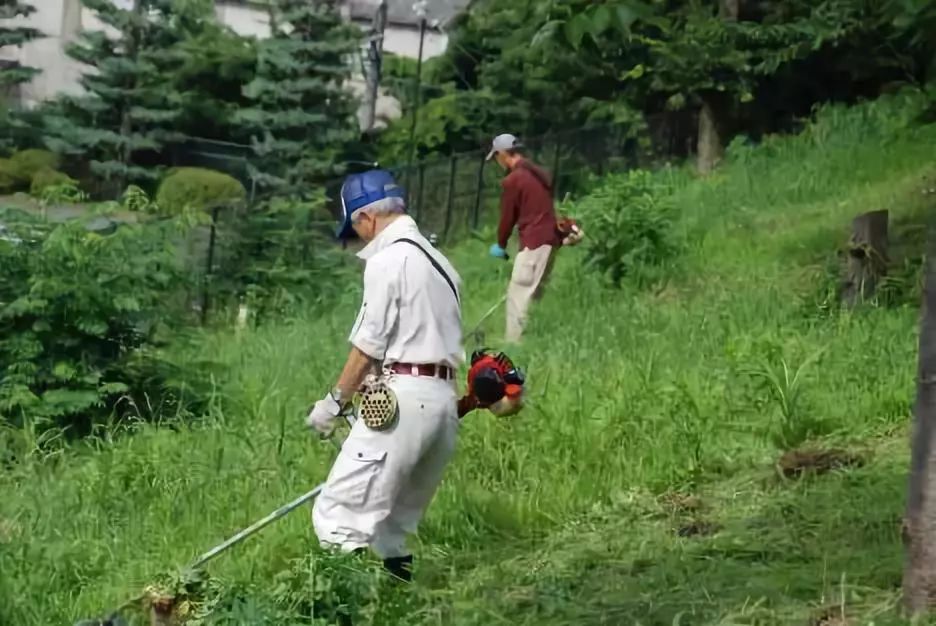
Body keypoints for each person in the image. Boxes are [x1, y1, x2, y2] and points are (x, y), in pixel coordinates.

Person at [305, 169, 464, 583]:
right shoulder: (442, 264)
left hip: (406, 402)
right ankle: (397, 607)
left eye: (355, 229)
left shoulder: (388, 260)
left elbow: (368, 345)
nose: (359, 238)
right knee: (391, 530)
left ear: (364, 218)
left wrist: (334, 403)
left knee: (338, 518)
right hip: (443, 405)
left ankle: (341, 612)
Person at [486, 133, 561, 343]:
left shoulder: (514, 180)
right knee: (533, 296)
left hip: (534, 243)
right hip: (550, 240)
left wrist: (501, 244)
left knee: (518, 296)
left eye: (496, 158)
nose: (497, 162)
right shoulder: (538, 173)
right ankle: (535, 341)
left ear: (502, 154)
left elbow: (507, 217)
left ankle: (514, 348)